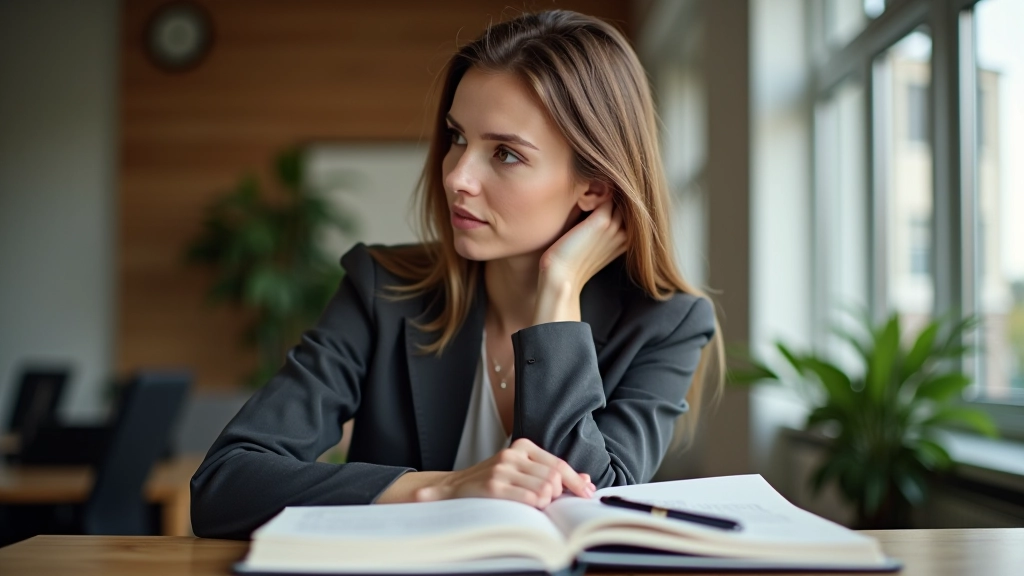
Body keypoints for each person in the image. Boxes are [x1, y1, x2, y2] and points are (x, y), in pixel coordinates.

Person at [190, 9, 723, 540]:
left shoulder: (666, 322)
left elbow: (589, 503)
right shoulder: (383, 290)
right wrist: (440, 489)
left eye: (506, 154)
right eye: (457, 137)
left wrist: (558, 290)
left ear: (595, 189)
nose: (456, 176)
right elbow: (224, 484)